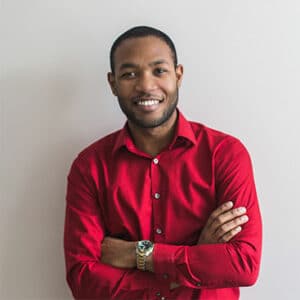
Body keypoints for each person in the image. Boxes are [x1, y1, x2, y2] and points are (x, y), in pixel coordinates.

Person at [64, 26, 262, 300]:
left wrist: (138, 254)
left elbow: (244, 265)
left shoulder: (225, 154)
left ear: (178, 75)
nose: (146, 85)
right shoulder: (90, 167)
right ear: (112, 83)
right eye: (129, 74)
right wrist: (196, 257)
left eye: (159, 71)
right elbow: (83, 281)